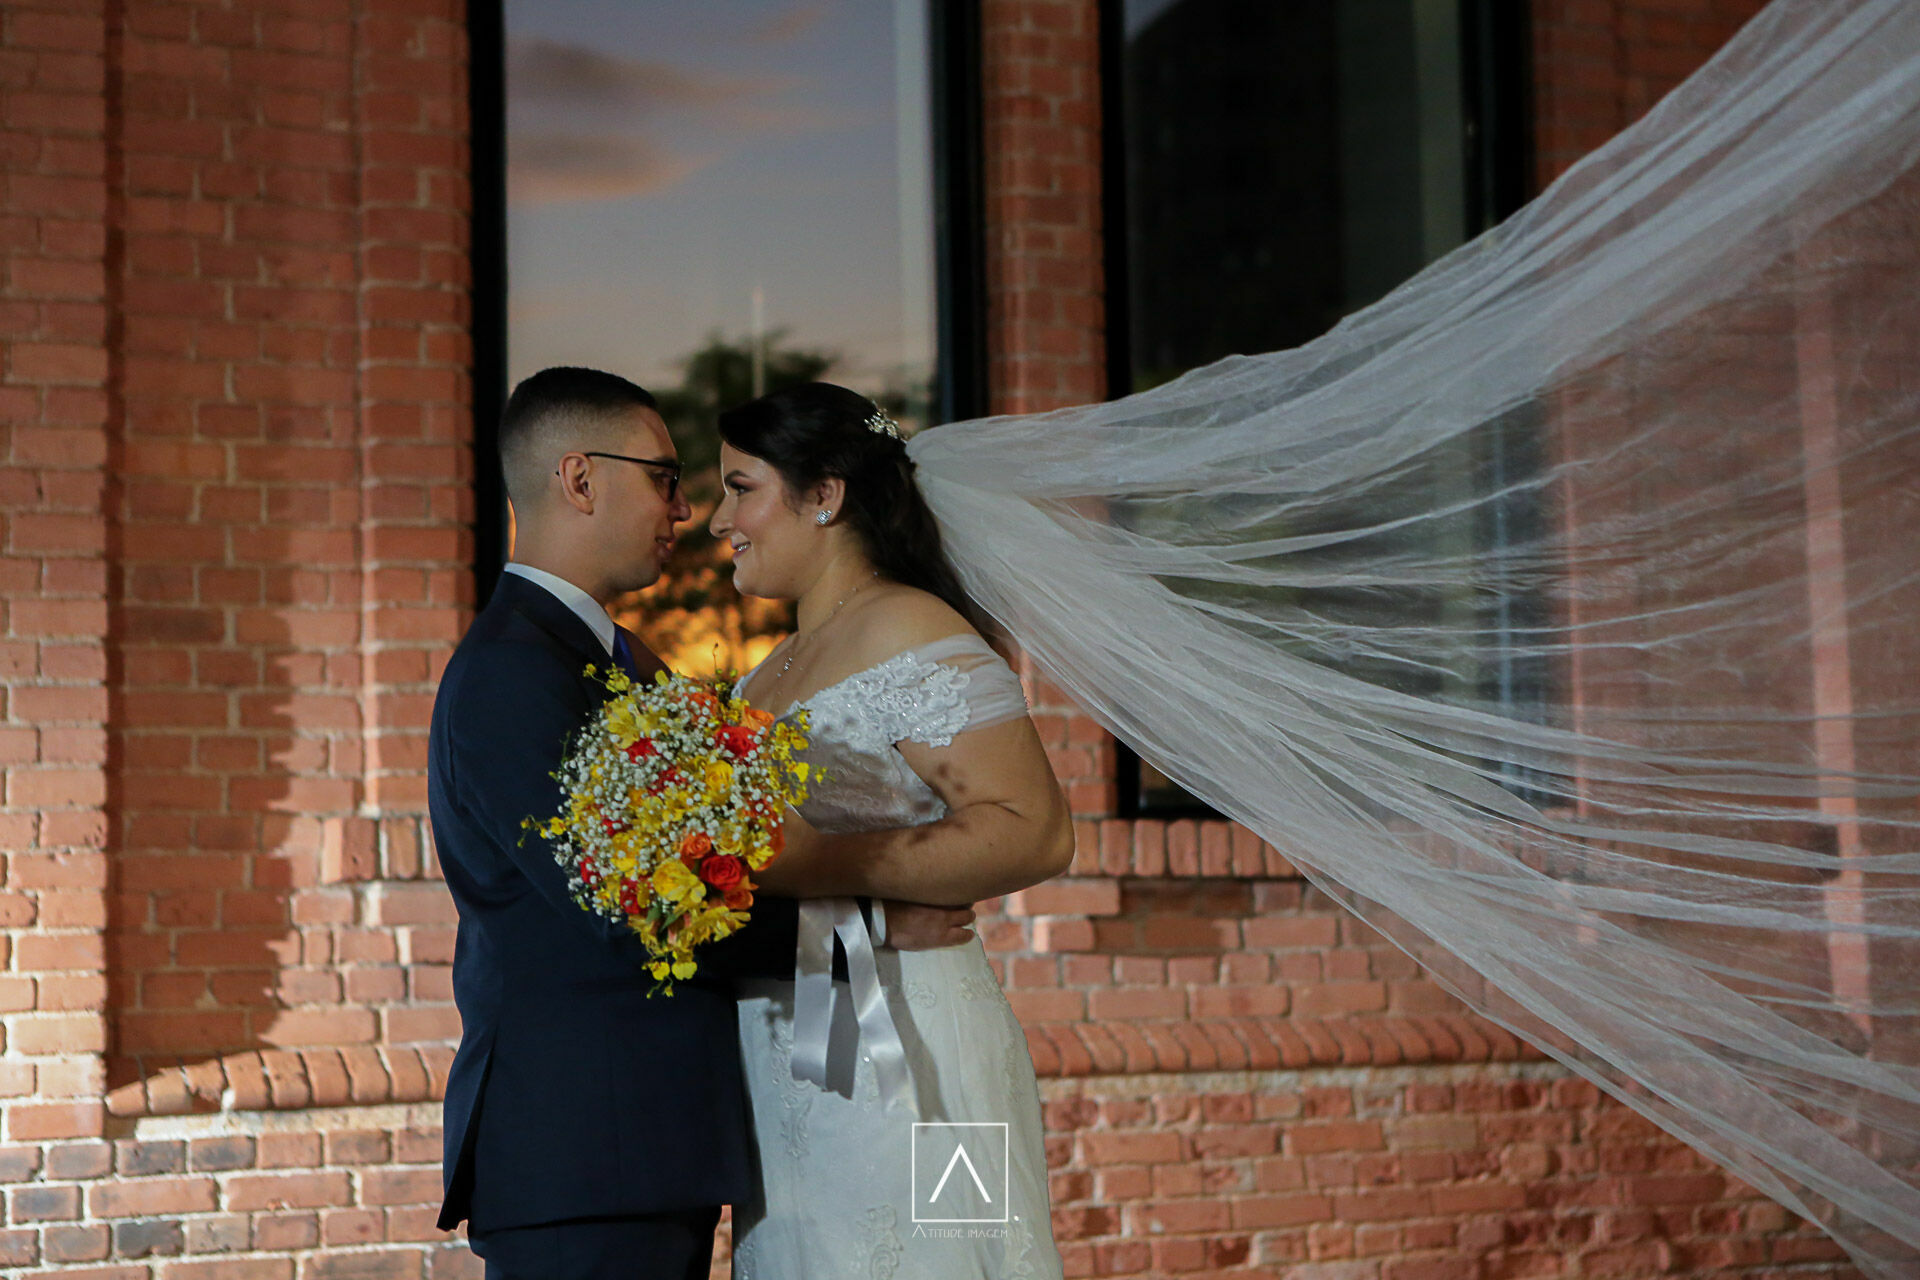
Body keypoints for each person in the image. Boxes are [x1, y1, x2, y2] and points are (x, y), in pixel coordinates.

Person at [427, 367, 978, 1280]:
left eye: (721, 487)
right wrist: (873, 925)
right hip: (587, 1151)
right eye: (666, 476)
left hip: (658, 1139)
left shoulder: (622, 660)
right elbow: (631, 905)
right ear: (579, 478)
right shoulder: (514, 670)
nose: (691, 512)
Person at [708, 382, 1076, 1279]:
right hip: (789, 1047)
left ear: (824, 496)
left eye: (740, 487)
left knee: (947, 1253)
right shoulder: (767, 673)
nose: (720, 519)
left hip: (918, 1040)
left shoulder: (912, 626)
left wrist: (814, 868)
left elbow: (1036, 832)